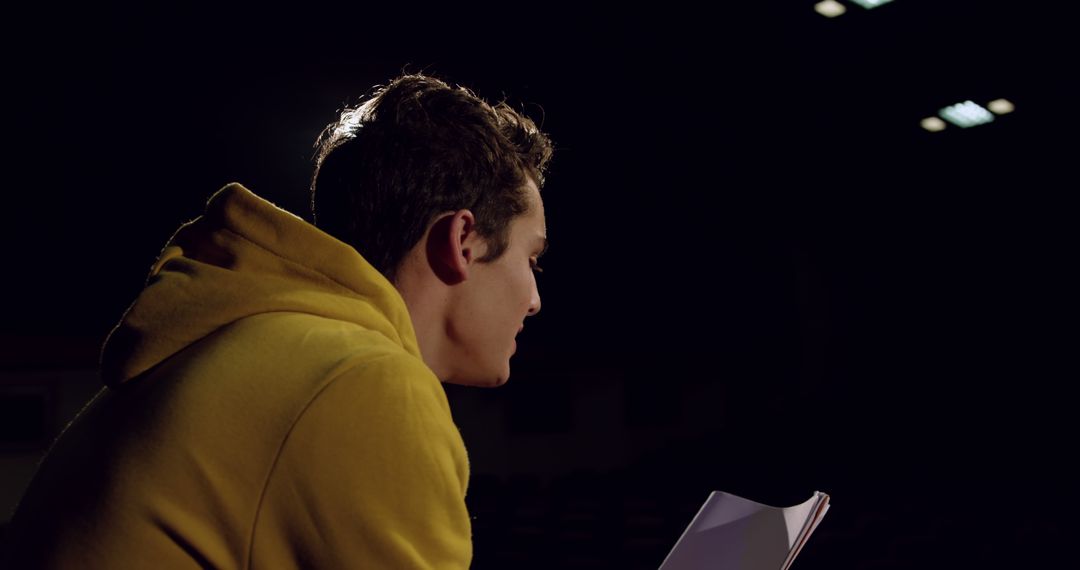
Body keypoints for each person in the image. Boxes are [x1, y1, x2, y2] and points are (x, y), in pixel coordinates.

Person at [2, 73, 554, 569]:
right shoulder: (364, 383)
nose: (534, 300)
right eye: (531, 261)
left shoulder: (249, 341)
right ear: (462, 241)